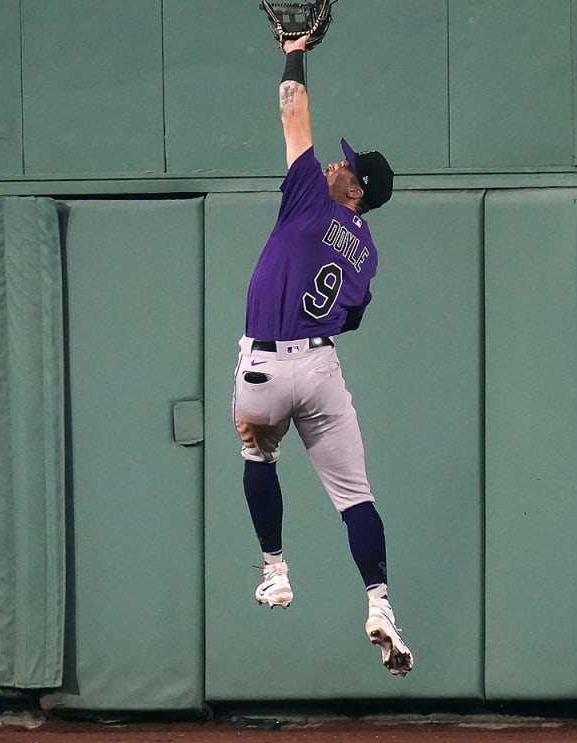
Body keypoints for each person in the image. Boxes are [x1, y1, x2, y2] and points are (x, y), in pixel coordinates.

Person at [232, 34, 411, 676]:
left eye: (347, 166)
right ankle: (381, 603)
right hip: (321, 368)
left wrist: (293, 51)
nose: (336, 164)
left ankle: (276, 571)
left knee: (258, 452)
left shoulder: (311, 192)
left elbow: (292, 111)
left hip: (266, 364)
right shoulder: (367, 249)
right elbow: (354, 315)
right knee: (355, 496)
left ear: (354, 190)